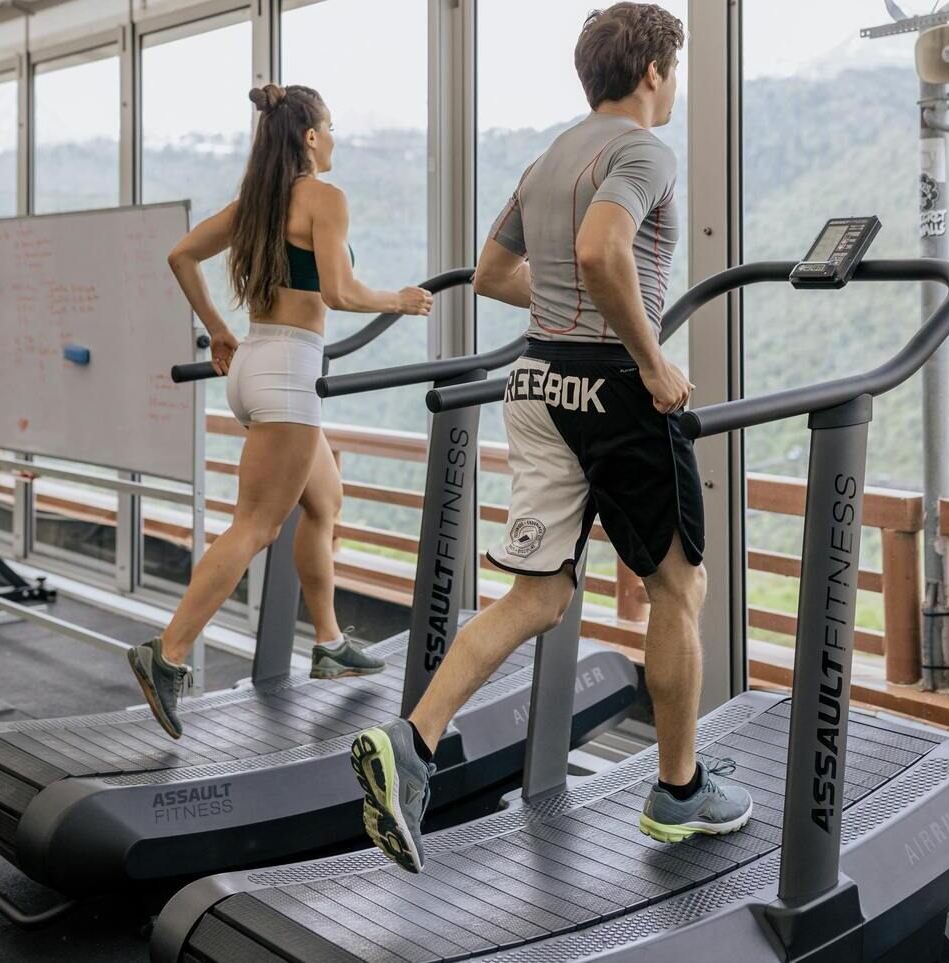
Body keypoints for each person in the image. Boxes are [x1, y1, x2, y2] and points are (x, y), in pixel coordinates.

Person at [350, 2, 752, 873]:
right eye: (673, 71)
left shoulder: (547, 157)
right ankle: (680, 792)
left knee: (539, 595)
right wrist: (649, 359)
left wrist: (566, 317)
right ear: (653, 72)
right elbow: (606, 251)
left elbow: (494, 273)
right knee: (681, 584)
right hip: (611, 384)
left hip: (536, 382)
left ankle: (411, 745)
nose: (674, 86)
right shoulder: (643, 148)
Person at [127, 83, 433, 739]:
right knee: (256, 525)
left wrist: (216, 330)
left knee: (324, 498)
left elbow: (179, 254)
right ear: (312, 136)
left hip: (253, 364)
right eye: (332, 127)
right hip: (291, 372)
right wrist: (398, 301)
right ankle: (168, 652)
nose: (337, 139)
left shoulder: (255, 204)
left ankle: (326, 641)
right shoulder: (324, 198)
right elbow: (338, 290)